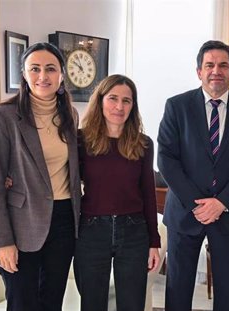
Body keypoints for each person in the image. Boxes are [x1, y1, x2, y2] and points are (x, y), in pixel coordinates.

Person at [157, 40, 229, 311]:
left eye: (223, 65)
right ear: (199, 71)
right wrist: (197, 203)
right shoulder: (177, 106)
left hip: (228, 214)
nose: (216, 70)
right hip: (184, 213)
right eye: (210, 65)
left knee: (228, 291)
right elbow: (167, 160)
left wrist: (221, 203)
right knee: (178, 287)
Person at [0, 42, 81, 311]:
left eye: (51, 69)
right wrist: (2, 241)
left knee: (52, 302)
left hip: (63, 222)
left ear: (61, 75)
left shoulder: (70, 115)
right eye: (35, 69)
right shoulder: (3, 116)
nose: (43, 76)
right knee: (22, 303)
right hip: (21, 224)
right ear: (24, 76)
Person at [74, 74, 161, 311]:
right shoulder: (80, 140)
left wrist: (154, 241)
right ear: (100, 101)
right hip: (91, 231)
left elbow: (148, 194)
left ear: (133, 106)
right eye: (113, 98)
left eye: (127, 101)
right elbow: (63, 181)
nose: (119, 107)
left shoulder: (143, 143)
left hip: (133, 231)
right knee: (92, 304)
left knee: (132, 304)